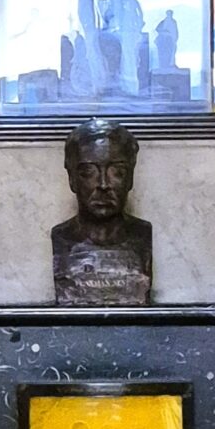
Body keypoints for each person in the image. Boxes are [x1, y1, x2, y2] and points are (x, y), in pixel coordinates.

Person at [51, 119, 151, 306]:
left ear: (130, 178)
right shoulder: (62, 238)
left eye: (117, 172)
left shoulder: (142, 235)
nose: (103, 184)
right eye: (89, 172)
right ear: (72, 178)